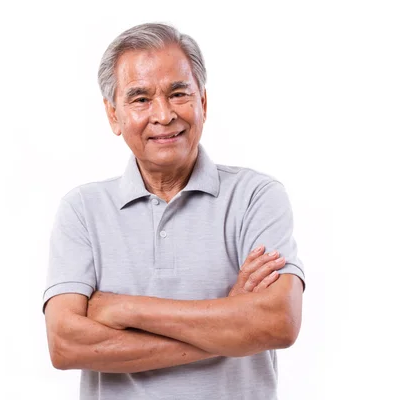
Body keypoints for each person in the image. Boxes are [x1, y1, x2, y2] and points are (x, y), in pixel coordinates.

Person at [42, 22, 305, 400]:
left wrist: (124, 308)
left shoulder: (256, 197)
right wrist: (229, 326)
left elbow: (278, 323)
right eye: (140, 99)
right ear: (113, 115)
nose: (163, 115)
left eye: (178, 93)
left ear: (203, 103)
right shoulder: (82, 210)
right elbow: (66, 345)